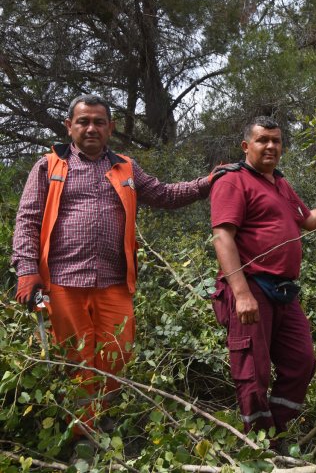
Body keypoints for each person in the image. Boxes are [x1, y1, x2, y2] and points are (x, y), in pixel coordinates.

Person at [11, 94, 233, 442]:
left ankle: (104, 426)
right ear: (69, 126)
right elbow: (27, 219)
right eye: (83, 121)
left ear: (110, 128)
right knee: (76, 361)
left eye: (99, 122)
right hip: (63, 284)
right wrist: (26, 269)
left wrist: (206, 183)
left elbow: (164, 194)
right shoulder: (48, 166)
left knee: (116, 358)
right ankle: (82, 440)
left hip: (114, 283)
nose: (91, 128)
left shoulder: (126, 167)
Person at [210, 116, 316, 435]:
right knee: (253, 371)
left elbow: (311, 220)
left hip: (284, 292)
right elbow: (223, 237)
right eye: (263, 140)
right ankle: (257, 444)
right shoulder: (233, 180)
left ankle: (276, 431)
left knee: (302, 362)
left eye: (276, 140)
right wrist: (242, 293)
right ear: (246, 146)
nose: (271, 146)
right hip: (251, 287)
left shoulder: (280, 183)